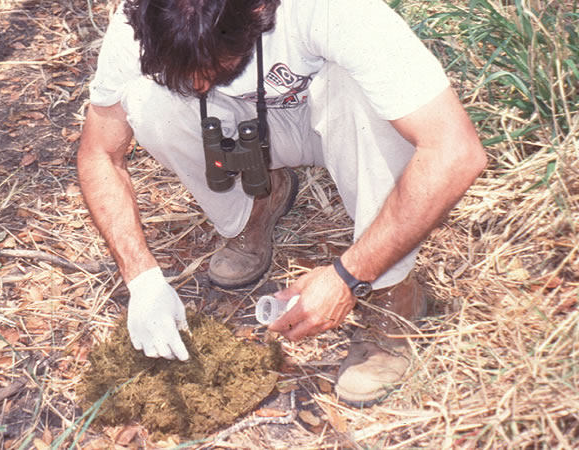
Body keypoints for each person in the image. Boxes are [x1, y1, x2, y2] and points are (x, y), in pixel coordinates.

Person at [77, 0, 486, 407]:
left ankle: (392, 293)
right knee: (150, 100)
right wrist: (142, 280)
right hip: (253, 131)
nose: (200, 85)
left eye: (215, 66)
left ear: (256, 12)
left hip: (339, 118)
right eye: (184, 73)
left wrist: (350, 275)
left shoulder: (329, 9)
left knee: (351, 86)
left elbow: (455, 152)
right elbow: (100, 154)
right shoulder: (144, 17)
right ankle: (256, 203)